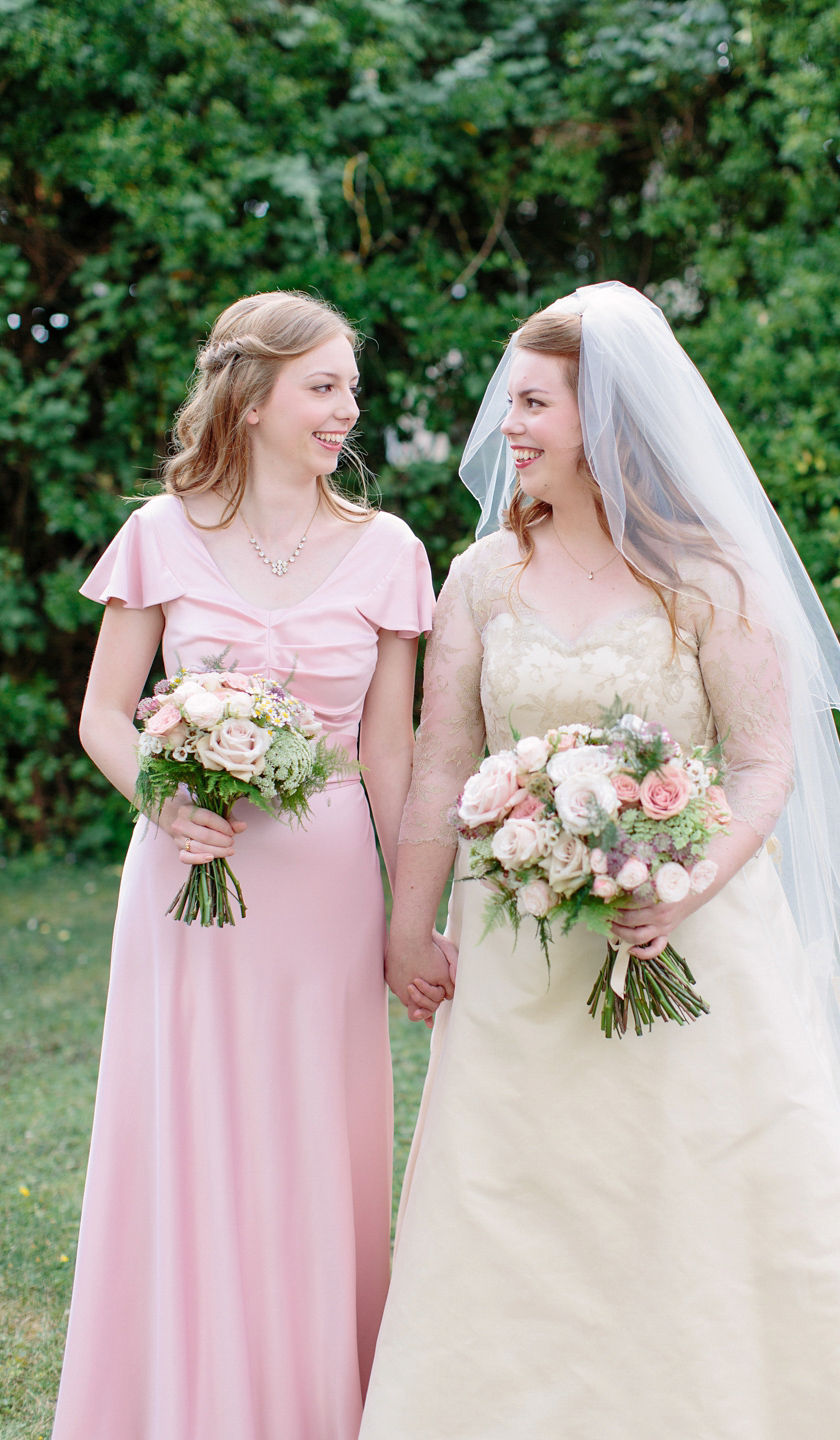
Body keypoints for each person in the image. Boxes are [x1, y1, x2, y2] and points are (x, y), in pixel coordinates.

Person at [360, 282, 840, 1438]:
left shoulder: (711, 577)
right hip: (518, 954)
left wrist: (682, 884)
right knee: (515, 1200)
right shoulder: (483, 575)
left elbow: (762, 767)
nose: (507, 429)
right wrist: (407, 920)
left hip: (688, 933)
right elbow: (442, 764)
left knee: (697, 1181)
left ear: (609, 419)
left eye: (532, 403)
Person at [53, 291, 436, 1440]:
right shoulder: (159, 534)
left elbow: (390, 752)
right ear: (254, 395)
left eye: (350, 389)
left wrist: (412, 915)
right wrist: (167, 800)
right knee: (187, 1129)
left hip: (323, 884)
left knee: (316, 1144)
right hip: (184, 881)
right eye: (324, 386)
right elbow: (105, 717)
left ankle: (315, 1403)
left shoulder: (389, 552)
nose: (346, 411)